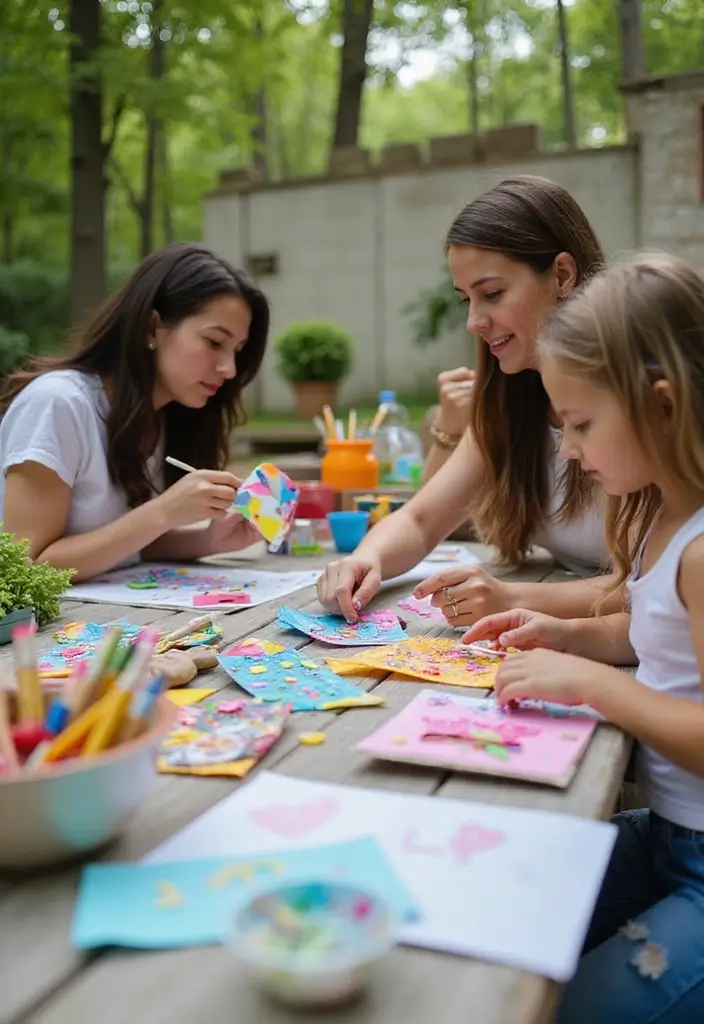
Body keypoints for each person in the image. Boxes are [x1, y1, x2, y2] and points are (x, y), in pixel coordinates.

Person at [465, 253, 704, 1023]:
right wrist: (567, 633)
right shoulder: (660, 512)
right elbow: (654, 634)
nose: (566, 449)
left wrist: (598, 687)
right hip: (668, 836)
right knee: (498, 914)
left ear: (663, 407)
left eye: (580, 425)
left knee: (566, 1009)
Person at [318, 175, 616, 625]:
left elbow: (657, 584)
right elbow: (420, 521)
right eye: (466, 300)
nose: (474, 321)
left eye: (492, 294)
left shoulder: (638, 401)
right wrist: (365, 559)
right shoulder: (510, 400)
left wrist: (513, 598)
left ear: (562, 275)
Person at [0, 242, 269, 581]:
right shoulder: (59, 404)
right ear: (151, 326)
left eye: (237, 350)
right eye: (215, 342)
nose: (229, 368)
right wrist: (163, 511)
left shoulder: (164, 417)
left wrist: (207, 540)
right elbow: (25, 566)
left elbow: (117, 544)